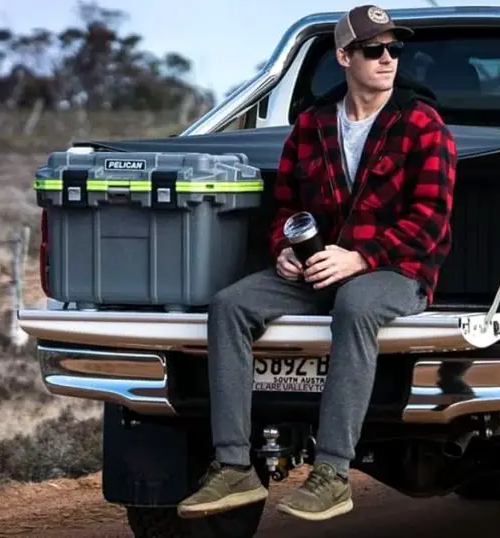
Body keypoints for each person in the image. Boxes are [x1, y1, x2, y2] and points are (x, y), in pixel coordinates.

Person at [176, 4, 458, 523]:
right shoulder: (311, 124)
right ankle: (234, 465)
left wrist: (360, 257)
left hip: (398, 273)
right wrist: (283, 248)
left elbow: (431, 222)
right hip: (318, 269)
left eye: (395, 49)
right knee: (229, 306)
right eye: (375, 50)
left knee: (354, 304)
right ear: (344, 56)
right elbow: (285, 204)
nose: (388, 58)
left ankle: (331, 473)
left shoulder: (422, 122)